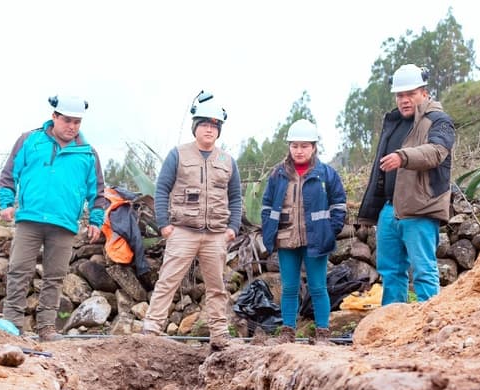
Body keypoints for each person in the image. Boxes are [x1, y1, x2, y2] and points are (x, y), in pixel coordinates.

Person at [0, 95, 108, 341]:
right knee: (19, 269)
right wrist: (6, 203)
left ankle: (46, 327)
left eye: (77, 122)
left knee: (55, 275)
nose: (72, 126)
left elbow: (98, 192)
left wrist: (96, 220)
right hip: (30, 218)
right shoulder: (30, 141)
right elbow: (8, 175)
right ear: (54, 117)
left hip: (64, 223)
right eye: (67, 120)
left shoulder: (88, 154)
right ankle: (12, 323)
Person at [139, 93, 243, 351]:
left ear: (219, 130)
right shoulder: (178, 155)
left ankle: (219, 334)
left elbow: (236, 197)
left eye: (214, 125)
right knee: (168, 280)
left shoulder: (227, 161)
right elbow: (162, 189)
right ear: (196, 127)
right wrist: (164, 224)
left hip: (216, 234)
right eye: (205, 124)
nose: (209, 129)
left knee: (217, 286)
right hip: (183, 230)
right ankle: (151, 329)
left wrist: (233, 228)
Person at [356, 64, 455, 306]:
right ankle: (393, 325)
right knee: (390, 272)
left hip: (420, 209)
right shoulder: (393, 122)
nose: (404, 100)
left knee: (423, 271)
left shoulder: (439, 121)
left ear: (424, 92)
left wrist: (404, 157)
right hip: (390, 210)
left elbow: (436, 152)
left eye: (410, 94)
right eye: (400, 95)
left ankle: (430, 327)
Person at [260, 119, 347, 344]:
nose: (299, 151)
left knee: (318, 287)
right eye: (295, 145)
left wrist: (331, 230)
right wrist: (271, 232)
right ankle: (288, 332)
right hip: (286, 239)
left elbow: (338, 204)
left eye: (304, 146)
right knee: (289, 287)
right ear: (289, 146)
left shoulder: (326, 174)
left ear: (314, 147)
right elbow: (267, 205)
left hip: (316, 239)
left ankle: (323, 334)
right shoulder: (278, 174)